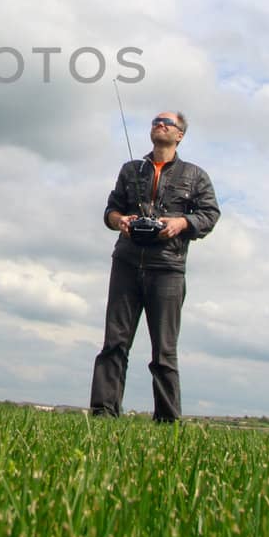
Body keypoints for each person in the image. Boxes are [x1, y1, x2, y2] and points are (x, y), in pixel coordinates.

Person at [89, 110, 219, 422]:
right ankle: (103, 413)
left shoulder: (195, 175)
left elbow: (210, 214)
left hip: (168, 267)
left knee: (164, 350)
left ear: (180, 135)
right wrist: (120, 219)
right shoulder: (130, 169)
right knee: (114, 342)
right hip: (127, 262)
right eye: (155, 122)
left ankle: (167, 420)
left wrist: (181, 222)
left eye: (167, 122)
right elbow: (110, 210)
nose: (159, 125)